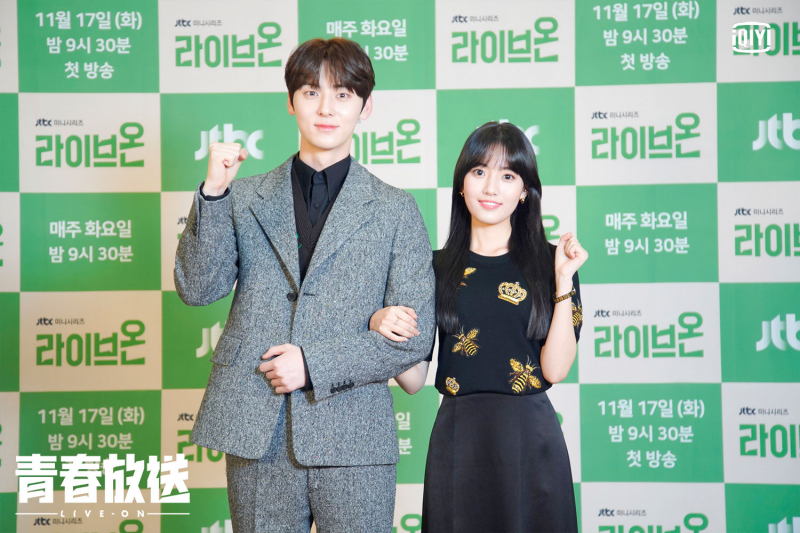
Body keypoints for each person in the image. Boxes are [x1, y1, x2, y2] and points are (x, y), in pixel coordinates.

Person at [175, 38, 436, 533]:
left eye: (343, 94)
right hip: (258, 427)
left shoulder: (396, 209)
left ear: (365, 107)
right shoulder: (242, 196)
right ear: (291, 102)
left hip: (355, 435)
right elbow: (198, 289)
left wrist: (313, 365)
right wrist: (213, 192)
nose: (326, 108)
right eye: (312, 92)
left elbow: (413, 340)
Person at [369, 121, 587, 533]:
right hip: (458, 437)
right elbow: (413, 381)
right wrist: (383, 325)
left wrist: (562, 281)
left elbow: (555, 370)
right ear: (461, 184)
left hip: (530, 437)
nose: (491, 188)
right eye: (479, 171)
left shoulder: (554, 262)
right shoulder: (432, 267)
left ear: (525, 191)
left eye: (507, 176)